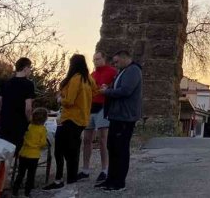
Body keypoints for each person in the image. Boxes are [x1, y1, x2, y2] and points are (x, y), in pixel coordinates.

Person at [44, 54, 94, 191]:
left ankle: (59, 179)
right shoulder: (88, 79)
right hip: (83, 119)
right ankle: (71, 177)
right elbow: (96, 93)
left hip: (70, 118)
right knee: (74, 150)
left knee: (59, 150)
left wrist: (60, 99)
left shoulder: (75, 79)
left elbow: (69, 100)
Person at [99, 50, 143, 192]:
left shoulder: (133, 71)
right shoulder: (123, 71)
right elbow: (118, 88)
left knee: (121, 149)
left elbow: (125, 91)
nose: (115, 65)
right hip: (117, 116)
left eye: (117, 62)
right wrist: (109, 88)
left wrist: (107, 92)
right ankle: (111, 179)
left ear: (125, 59)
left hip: (125, 117)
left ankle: (119, 182)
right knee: (112, 147)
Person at [79, 51, 118, 182]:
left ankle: (105, 170)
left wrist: (108, 88)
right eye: (94, 59)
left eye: (98, 59)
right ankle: (85, 170)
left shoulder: (112, 72)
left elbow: (117, 87)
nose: (96, 61)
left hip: (104, 107)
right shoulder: (92, 75)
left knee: (103, 139)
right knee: (86, 139)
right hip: (91, 108)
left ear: (104, 59)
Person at [0, 57, 35, 151]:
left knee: (2, 152)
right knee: (13, 153)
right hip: (19, 125)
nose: (30, 71)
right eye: (30, 68)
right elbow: (28, 108)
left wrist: (1, 118)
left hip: (5, 123)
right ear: (25, 68)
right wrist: (30, 120)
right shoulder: (29, 84)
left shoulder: (6, 83)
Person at [13, 107, 48, 197]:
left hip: (23, 153)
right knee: (31, 175)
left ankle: (15, 190)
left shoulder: (28, 126)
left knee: (20, 173)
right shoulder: (42, 129)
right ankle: (27, 192)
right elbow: (43, 143)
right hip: (34, 155)